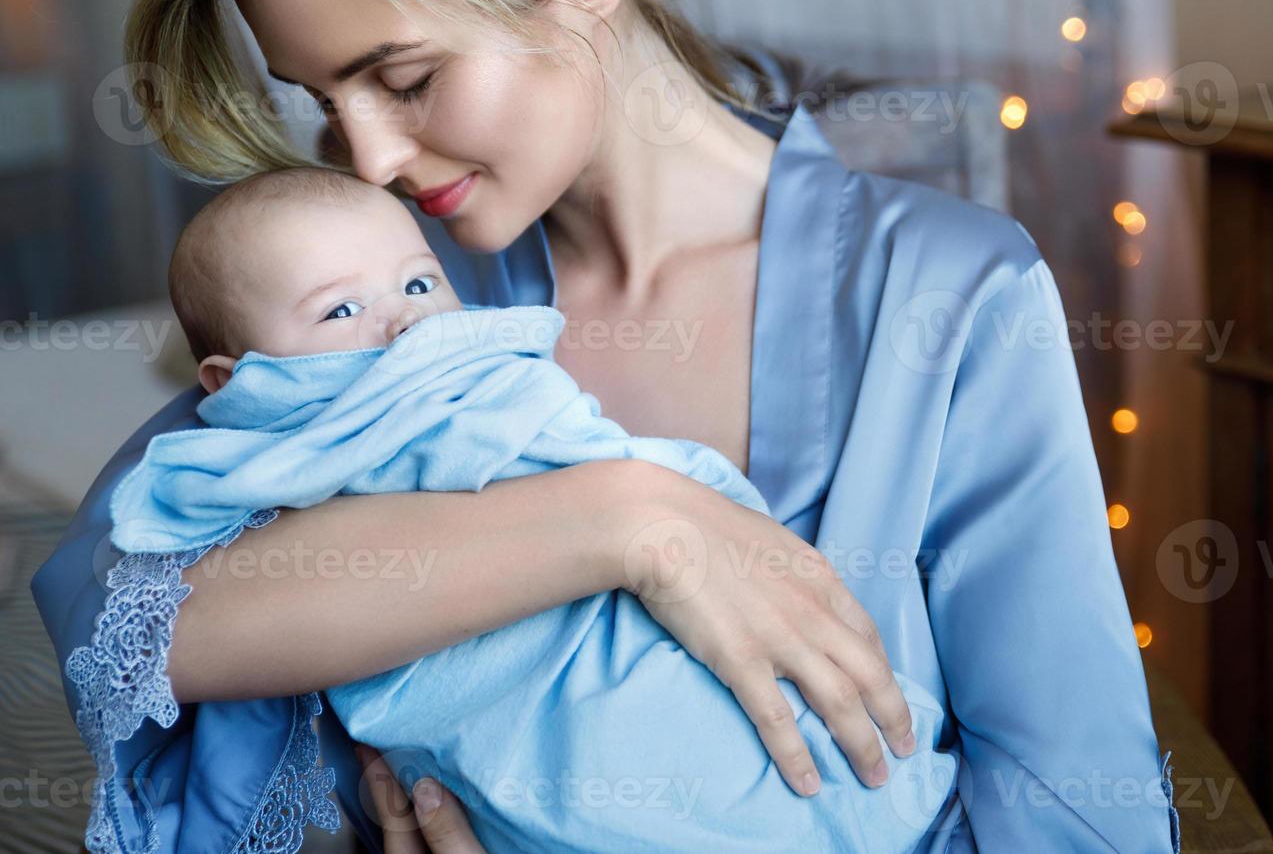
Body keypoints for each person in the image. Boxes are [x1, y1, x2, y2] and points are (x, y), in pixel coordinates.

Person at [32, 0, 1179, 851]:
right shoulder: (396, 291)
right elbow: (127, 618)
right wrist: (630, 521)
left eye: (407, 77)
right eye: (323, 99)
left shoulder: (946, 294)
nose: (369, 156)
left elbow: (1085, 819)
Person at [107, 166, 955, 852]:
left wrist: (660, 505)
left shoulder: (485, 374)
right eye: (341, 309)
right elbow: (149, 623)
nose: (404, 323)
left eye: (416, 281)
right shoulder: (227, 465)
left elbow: (578, 442)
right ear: (232, 385)